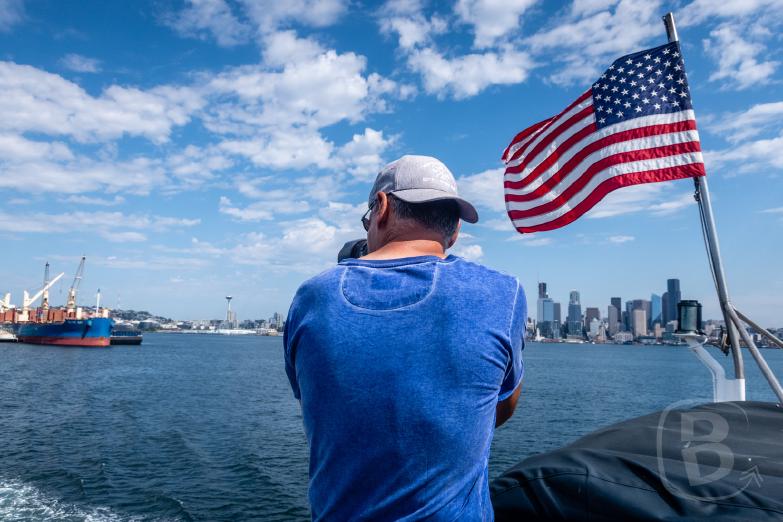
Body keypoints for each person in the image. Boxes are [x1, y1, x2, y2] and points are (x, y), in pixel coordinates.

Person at [284, 155, 526, 521]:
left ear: (380, 208)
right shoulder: (503, 293)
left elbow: (319, 403)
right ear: (456, 228)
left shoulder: (311, 297)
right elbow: (501, 406)